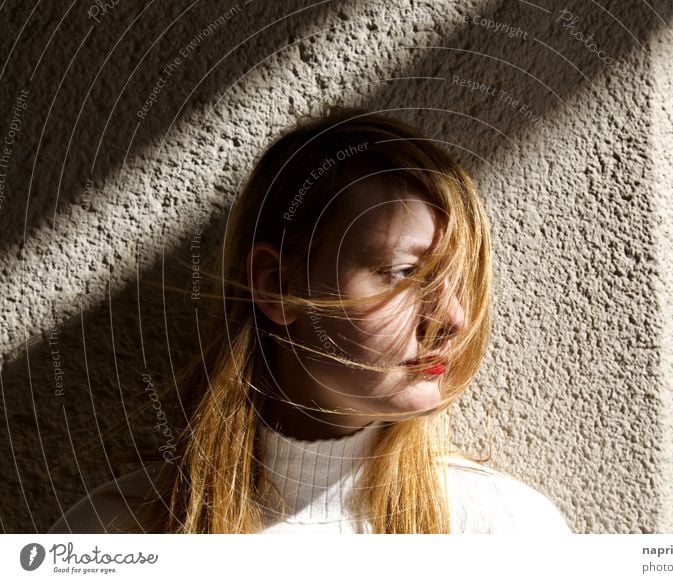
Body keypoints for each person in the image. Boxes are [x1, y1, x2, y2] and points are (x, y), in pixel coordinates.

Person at [48, 107, 571, 534]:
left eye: (460, 281)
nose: (454, 318)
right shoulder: (113, 535)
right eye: (405, 273)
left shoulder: (509, 534)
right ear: (278, 285)